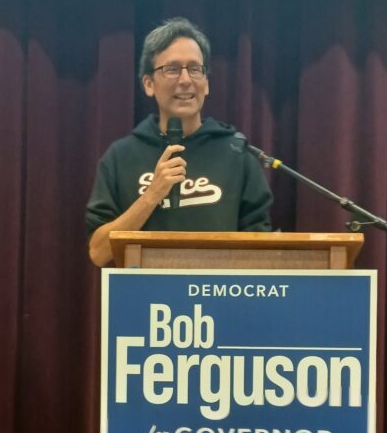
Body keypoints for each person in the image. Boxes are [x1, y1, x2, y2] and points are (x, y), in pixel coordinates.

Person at [86, 17, 273, 266]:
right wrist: (152, 195)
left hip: (217, 290)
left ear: (206, 83)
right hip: (146, 291)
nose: (185, 80)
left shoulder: (237, 153)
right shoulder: (121, 157)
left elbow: (262, 252)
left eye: (195, 69)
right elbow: (98, 252)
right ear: (148, 84)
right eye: (172, 69)